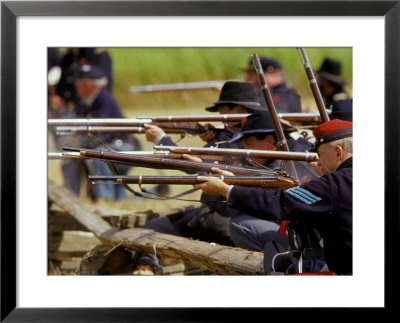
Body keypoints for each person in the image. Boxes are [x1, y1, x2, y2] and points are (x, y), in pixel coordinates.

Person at [131, 81, 268, 275]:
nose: (221, 116)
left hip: (224, 218)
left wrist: (161, 140)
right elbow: (200, 163)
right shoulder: (231, 136)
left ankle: (148, 267)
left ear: (237, 109)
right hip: (219, 213)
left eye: (223, 111)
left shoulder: (239, 140)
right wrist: (212, 139)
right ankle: (147, 267)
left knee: (154, 228)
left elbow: (199, 165)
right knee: (155, 226)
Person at [194, 119, 353, 275]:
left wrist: (226, 190)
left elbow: (279, 202)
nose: (319, 163)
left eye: (320, 155)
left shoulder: (335, 183)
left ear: (338, 152)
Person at [224, 112, 320, 261]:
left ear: (270, 141)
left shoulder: (279, 167)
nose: (245, 152)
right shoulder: (299, 149)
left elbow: (235, 208)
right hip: (315, 236)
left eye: (248, 144)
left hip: (308, 242)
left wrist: (229, 184)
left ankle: (275, 267)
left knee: (238, 224)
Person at [61, 64, 141, 200]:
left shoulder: (104, 99)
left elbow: (102, 134)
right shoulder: (85, 102)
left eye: (78, 82)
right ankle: (70, 196)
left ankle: (104, 199)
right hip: (109, 147)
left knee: (99, 157)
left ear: (87, 84)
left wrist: (79, 144)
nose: (75, 86)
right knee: (73, 158)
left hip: (123, 148)